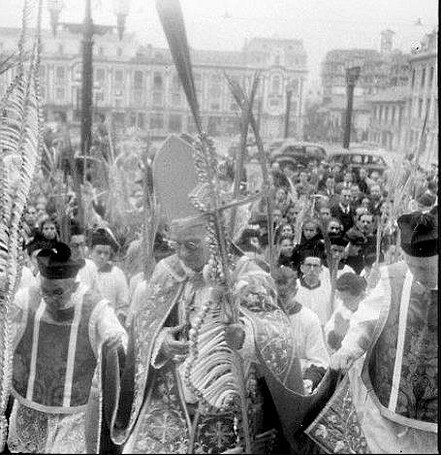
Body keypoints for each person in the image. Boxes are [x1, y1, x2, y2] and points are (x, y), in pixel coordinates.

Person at [307, 209, 438, 453]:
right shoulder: (394, 277)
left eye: (428, 269)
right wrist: (349, 348)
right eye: (415, 267)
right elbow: (367, 319)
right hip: (390, 387)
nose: (421, 275)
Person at [8, 242, 127, 454]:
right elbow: (6, 317)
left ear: (74, 285)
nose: (49, 298)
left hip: (74, 409)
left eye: (57, 292)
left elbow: (118, 337)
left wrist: (115, 343)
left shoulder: (95, 306)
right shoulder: (29, 296)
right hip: (31, 401)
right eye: (46, 291)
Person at [273, 266, 329, 394]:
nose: (278, 302)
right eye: (274, 297)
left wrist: (308, 381)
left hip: (298, 384)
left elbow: (320, 362)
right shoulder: (266, 318)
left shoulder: (309, 319)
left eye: (283, 297)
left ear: (295, 291)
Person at [90, 228, 129, 325]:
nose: (102, 256)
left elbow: (123, 304)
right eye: (99, 252)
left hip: (110, 324)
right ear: (91, 251)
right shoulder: (84, 270)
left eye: (106, 253)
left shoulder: (116, 274)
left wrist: (117, 323)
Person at [324, 273, 367, 353]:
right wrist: (336, 335)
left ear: (361, 295)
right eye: (341, 299)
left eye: (347, 299)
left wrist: (343, 336)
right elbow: (327, 337)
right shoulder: (342, 308)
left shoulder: (370, 314)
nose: (343, 303)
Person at [295, 254, 332, 326]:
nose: (312, 269)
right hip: (299, 329)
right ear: (302, 268)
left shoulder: (328, 288)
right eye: (308, 265)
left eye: (315, 266)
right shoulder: (293, 286)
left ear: (321, 269)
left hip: (321, 330)